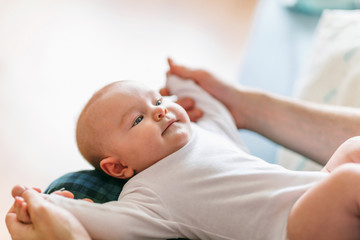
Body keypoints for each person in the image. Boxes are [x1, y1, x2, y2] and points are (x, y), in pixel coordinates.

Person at [7, 59, 360, 239]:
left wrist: (182, 81)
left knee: (353, 149)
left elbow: (219, 108)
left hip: (314, 187)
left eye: (158, 99)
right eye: (137, 119)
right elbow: (118, 227)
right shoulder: (148, 192)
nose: (160, 109)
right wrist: (48, 203)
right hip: (292, 228)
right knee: (349, 182)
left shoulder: (203, 133)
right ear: (117, 168)